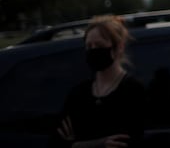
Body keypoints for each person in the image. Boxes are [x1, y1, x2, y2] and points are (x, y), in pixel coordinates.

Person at [51, 15, 147, 148]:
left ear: (118, 47)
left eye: (99, 45)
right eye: (89, 46)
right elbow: (57, 142)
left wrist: (76, 144)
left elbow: (128, 141)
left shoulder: (133, 92)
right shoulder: (79, 94)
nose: (93, 50)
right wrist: (98, 144)